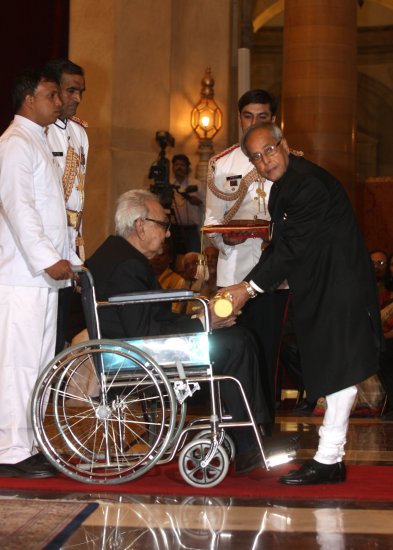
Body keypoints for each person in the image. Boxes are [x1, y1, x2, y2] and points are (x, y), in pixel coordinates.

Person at [219, 122, 381, 485]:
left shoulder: (306, 185)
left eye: (270, 151)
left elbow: (292, 249)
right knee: (336, 368)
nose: (265, 161)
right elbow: (280, 247)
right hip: (323, 286)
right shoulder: (284, 187)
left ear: (285, 144)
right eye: (257, 158)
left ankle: (328, 458)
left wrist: (248, 289)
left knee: (342, 371)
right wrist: (245, 286)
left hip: (340, 287)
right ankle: (331, 459)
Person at [86, 189, 274, 475]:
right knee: (237, 342)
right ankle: (250, 441)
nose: (169, 234)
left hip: (128, 349)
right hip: (133, 358)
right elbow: (145, 331)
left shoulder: (114, 254)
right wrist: (202, 323)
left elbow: (149, 318)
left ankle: (248, 436)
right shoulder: (127, 265)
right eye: (164, 225)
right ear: (141, 225)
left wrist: (200, 318)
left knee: (236, 338)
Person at [0, 68, 76, 478]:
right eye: (52, 94)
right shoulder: (14, 143)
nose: (60, 101)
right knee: (18, 363)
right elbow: (19, 208)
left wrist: (66, 260)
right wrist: (48, 258)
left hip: (41, 276)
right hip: (21, 274)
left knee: (40, 362)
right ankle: (10, 450)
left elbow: (52, 215)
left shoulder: (38, 142)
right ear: (29, 98)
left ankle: (29, 442)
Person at [204, 89, 290, 423]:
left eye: (263, 117)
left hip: (274, 277)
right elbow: (212, 220)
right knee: (230, 348)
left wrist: (271, 234)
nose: (254, 123)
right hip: (232, 274)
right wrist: (228, 238)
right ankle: (232, 423)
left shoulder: (285, 158)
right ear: (239, 119)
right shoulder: (223, 163)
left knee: (267, 351)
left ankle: (264, 426)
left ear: (274, 120)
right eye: (248, 116)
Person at [45, 59, 89, 353]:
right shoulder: (40, 131)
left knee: (61, 326)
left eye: (81, 91)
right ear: (53, 90)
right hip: (45, 242)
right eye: (71, 90)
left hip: (69, 241)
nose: (77, 98)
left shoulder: (80, 133)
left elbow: (79, 197)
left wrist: (78, 249)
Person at [170, 154, 205, 254]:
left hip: (191, 230)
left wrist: (198, 202)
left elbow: (206, 204)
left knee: (194, 258)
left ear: (187, 168)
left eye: (182, 165)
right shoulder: (170, 184)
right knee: (174, 259)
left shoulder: (197, 184)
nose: (179, 167)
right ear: (172, 167)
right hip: (174, 229)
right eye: (177, 165)